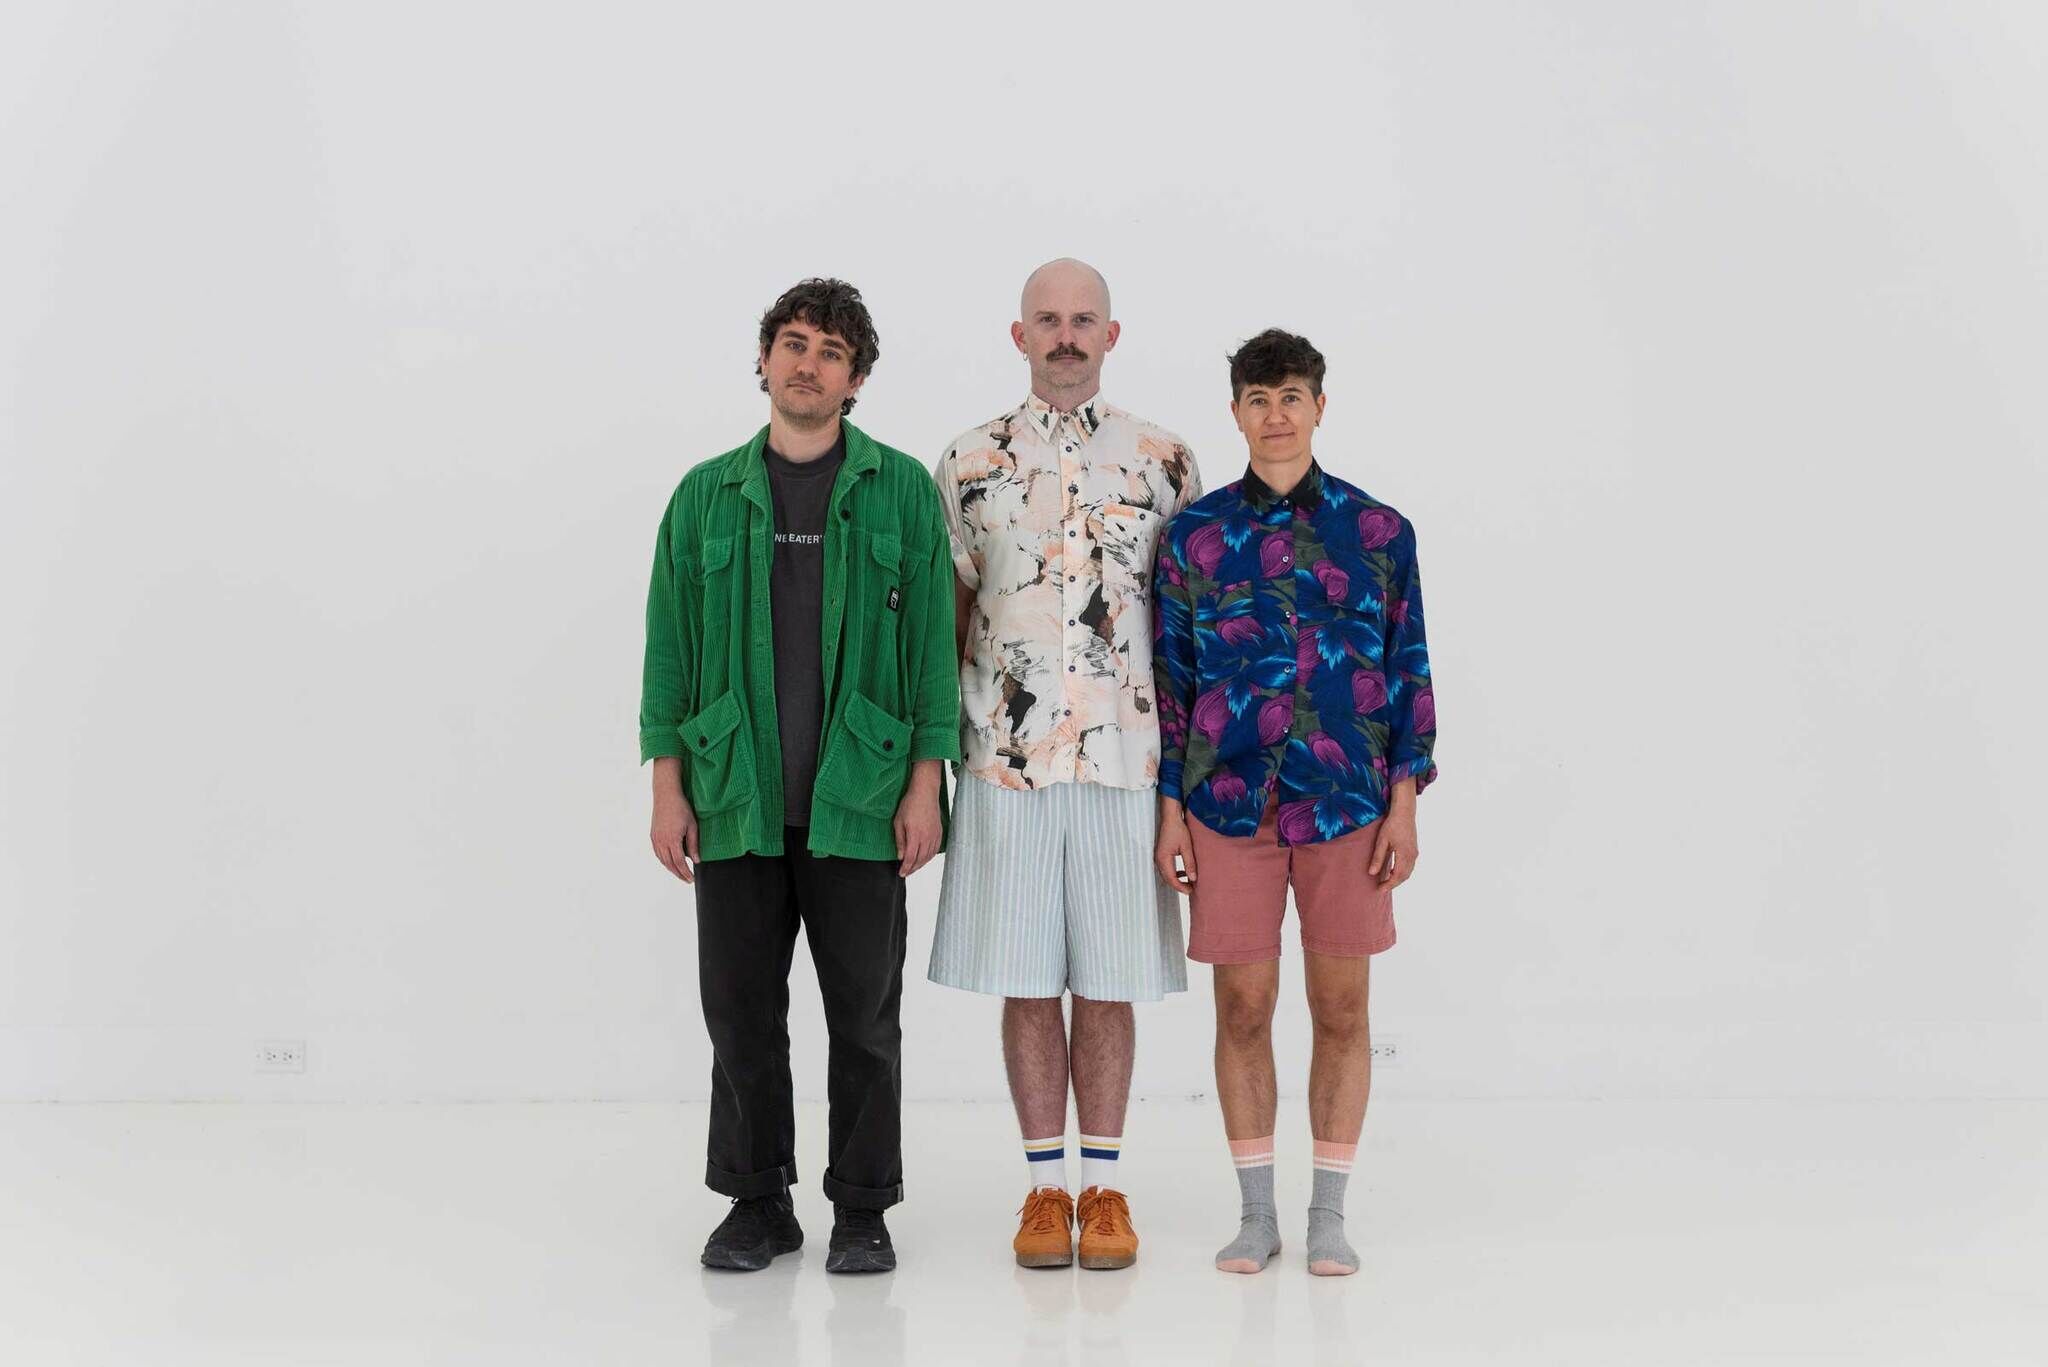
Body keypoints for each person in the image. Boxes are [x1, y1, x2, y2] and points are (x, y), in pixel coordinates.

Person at [639, 278, 959, 1274]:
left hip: (859, 801)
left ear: (855, 377)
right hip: (735, 794)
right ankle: (755, 1200)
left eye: (828, 349)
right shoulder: (703, 493)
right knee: (739, 1011)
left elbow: (931, 654)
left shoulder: (902, 488)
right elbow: (669, 647)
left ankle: (861, 1207)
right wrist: (665, 785)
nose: (806, 361)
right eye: (791, 342)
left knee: (863, 1018)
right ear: (765, 360)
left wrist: (924, 785)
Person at [928, 259, 1203, 1271]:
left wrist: (1186, 791)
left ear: (1111, 333)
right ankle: (1045, 1189)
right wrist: (929, 758)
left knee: (1111, 980)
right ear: (1017, 334)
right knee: (1026, 978)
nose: (1064, 335)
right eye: (1046, 318)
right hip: (1003, 759)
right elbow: (948, 617)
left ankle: (1104, 1184)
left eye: (1082, 319)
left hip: (1129, 761)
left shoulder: (1165, 460)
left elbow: (1184, 629)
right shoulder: (964, 461)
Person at [1152, 328, 1438, 1277]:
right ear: (1234, 410)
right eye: (1258, 398)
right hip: (1227, 804)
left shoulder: (1380, 533)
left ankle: (1328, 1212)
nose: (1275, 414)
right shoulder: (1195, 536)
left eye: (1292, 396)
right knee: (1242, 1006)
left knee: (1343, 1007)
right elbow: (1172, 682)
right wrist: (1168, 811)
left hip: (1348, 803)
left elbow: (1407, 674)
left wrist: (1404, 803)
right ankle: (1255, 1213)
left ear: (1321, 405)